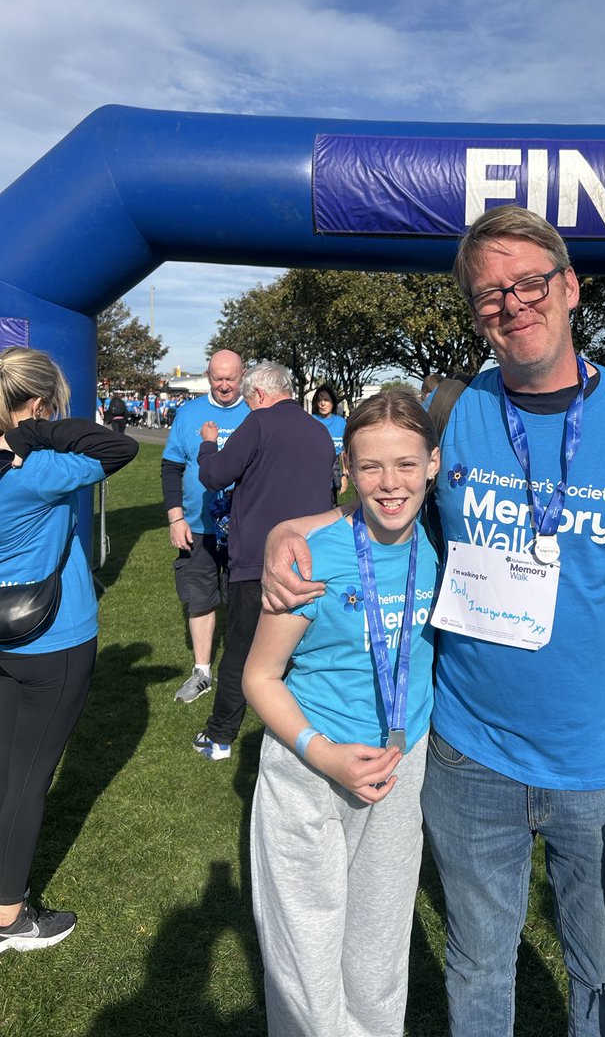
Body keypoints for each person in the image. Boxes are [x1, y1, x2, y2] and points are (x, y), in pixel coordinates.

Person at [262, 205, 605, 1036]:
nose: (513, 304)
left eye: (530, 283)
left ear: (571, 287)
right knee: (478, 965)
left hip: (604, 767)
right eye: (491, 294)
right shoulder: (458, 411)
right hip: (469, 756)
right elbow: (385, 504)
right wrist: (286, 531)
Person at [244, 390, 440, 1037]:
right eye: (371, 467)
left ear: (433, 464)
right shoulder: (311, 556)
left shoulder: (442, 546)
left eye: (406, 464)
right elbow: (259, 677)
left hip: (400, 768)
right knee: (305, 953)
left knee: (379, 954)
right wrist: (322, 753)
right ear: (347, 469)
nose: (390, 484)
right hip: (307, 771)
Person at [0, 348, 137, 953]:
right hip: (53, 638)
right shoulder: (40, 469)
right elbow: (117, 446)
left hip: (5, 637)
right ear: (36, 405)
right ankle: (10, 918)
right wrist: (31, 433)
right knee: (27, 780)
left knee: (5, 770)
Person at [192, 362, 335, 761]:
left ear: (257, 394)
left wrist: (208, 445)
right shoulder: (320, 430)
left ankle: (220, 736)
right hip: (311, 558)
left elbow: (215, 475)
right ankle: (305, 734)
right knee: (302, 653)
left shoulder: (258, 423)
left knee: (242, 649)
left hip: (259, 559)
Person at [161, 350, 250, 703]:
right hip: (197, 527)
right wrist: (175, 517)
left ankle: (248, 673)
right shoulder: (188, 413)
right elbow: (171, 468)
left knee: (246, 600)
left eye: (231, 378)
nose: (224, 385)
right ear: (208, 376)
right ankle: (202, 672)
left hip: (244, 528)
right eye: (217, 379)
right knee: (199, 598)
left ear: (243, 375)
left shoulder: (256, 412)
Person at [311, 383, 348, 501]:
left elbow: (344, 452)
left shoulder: (341, 423)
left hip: (334, 472)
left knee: (332, 507)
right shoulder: (311, 421)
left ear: (333, 402)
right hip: (314, 474)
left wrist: (345, 475)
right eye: (319, 400)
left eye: (326, 400)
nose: (323, 403)